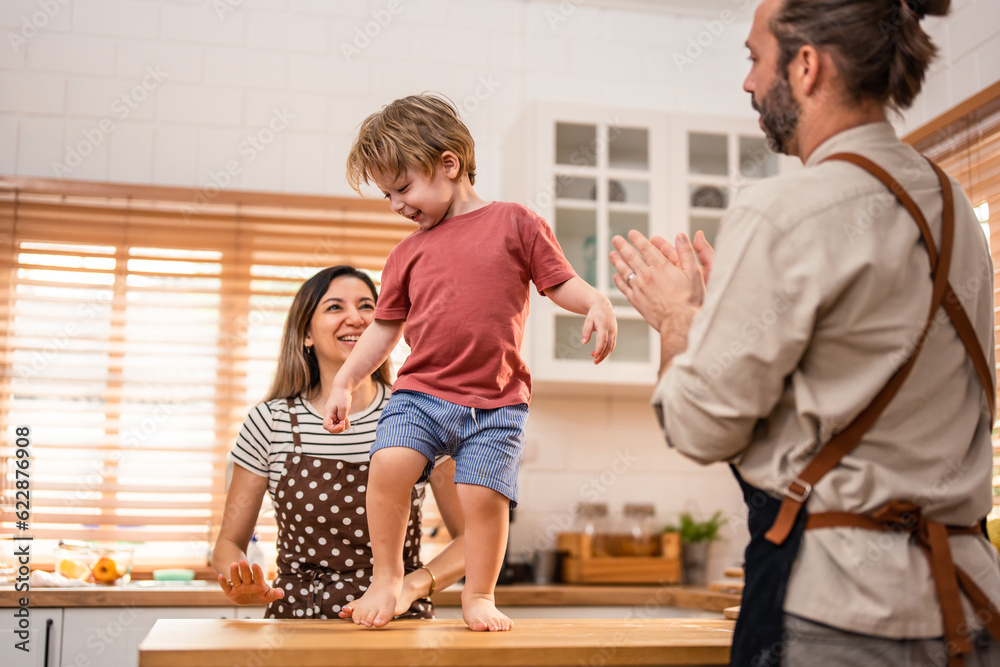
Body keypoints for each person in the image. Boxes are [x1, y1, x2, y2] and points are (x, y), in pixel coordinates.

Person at [610, 0, 1000, 665]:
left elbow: (701, 427)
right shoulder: (955, 206)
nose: (748, 82)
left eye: (755, 58)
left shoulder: (786, 207)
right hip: (969, 605)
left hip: (843, 610)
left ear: (808, 66)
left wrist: (679, 321)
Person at [323, 94, 618, 632]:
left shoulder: (515, 223)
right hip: (421, 393)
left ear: (449, 164)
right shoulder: (405, 254)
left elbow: (559, 282)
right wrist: (346, 378)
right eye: (387, 194)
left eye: (403, 188)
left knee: (483, 498)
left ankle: (479, 594)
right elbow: (385, 329)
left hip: (496, 402)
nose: (396, 204)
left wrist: (596, 300)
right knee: (389, 465)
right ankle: (387, 576)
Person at [211, 265, 465, 620]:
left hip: (395, 622)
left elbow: (475, 538)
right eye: (335, 307)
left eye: (366, 307)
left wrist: (412, 586)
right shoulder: (269, 422)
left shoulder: (420, 415)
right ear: (306, 335)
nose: (356, 319)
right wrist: (240, 581)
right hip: (297, 623)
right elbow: (227, 543)